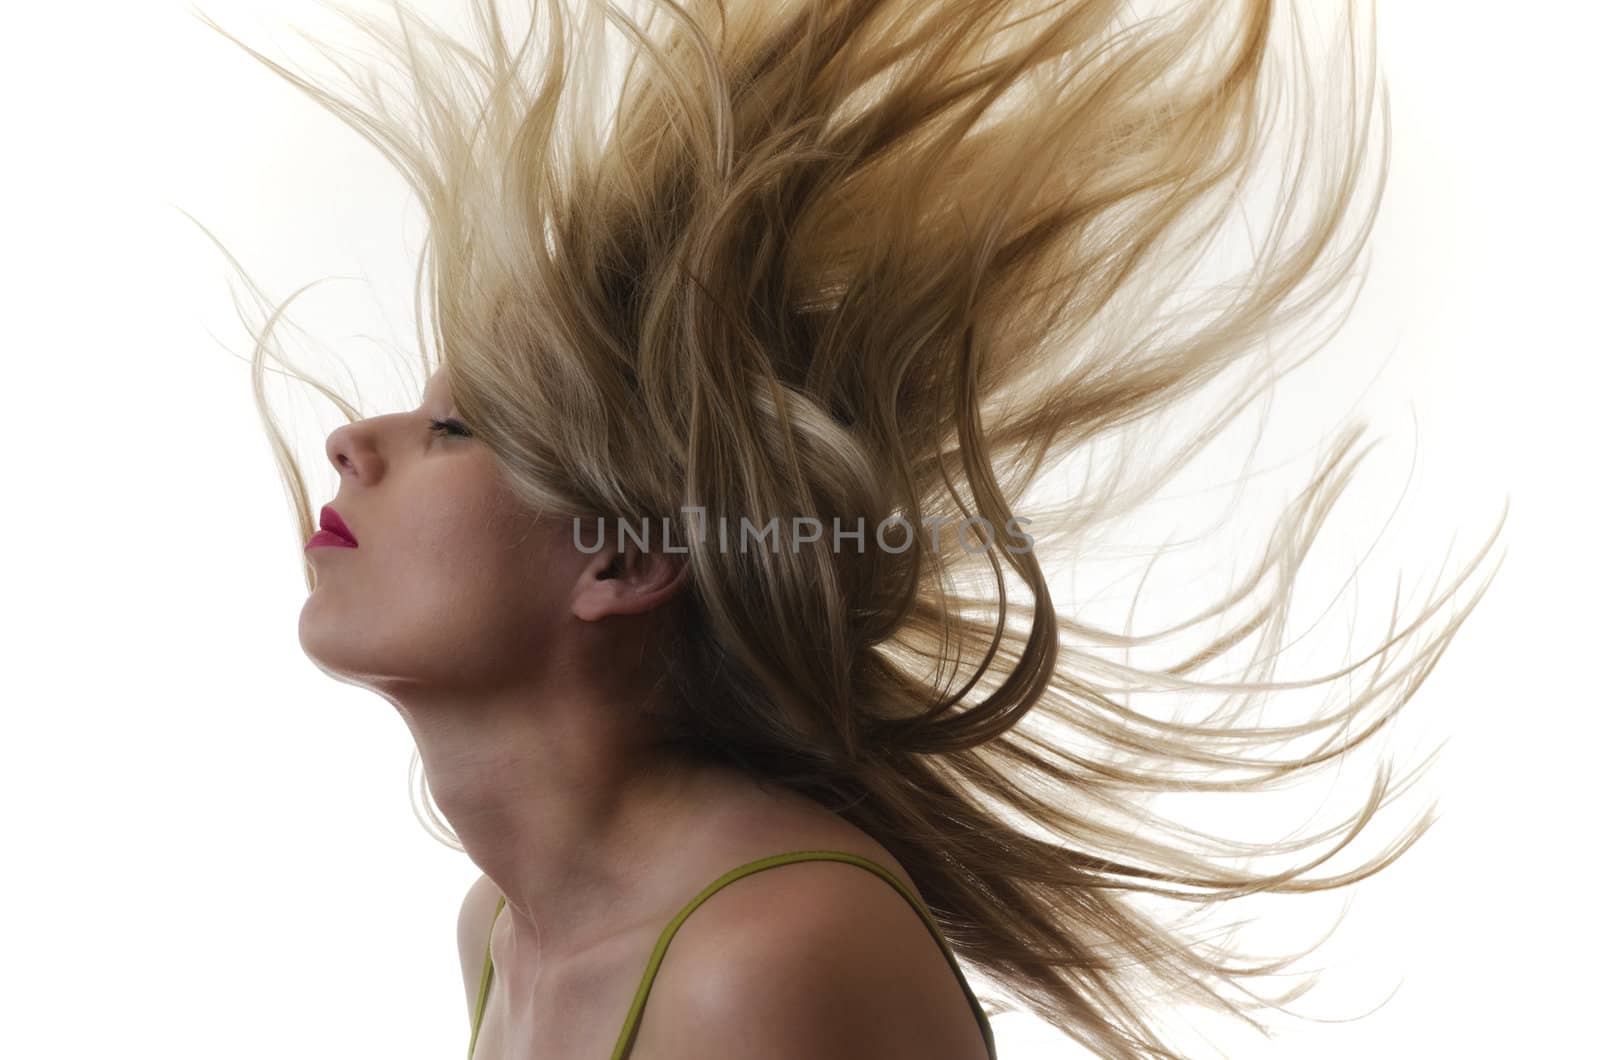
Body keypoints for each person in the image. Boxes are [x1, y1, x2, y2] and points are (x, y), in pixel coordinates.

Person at [194, 1, 1504, 1057]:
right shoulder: (501, 933)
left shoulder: (755, 960)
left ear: (626, 557)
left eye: (456, 433)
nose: (351, 442)